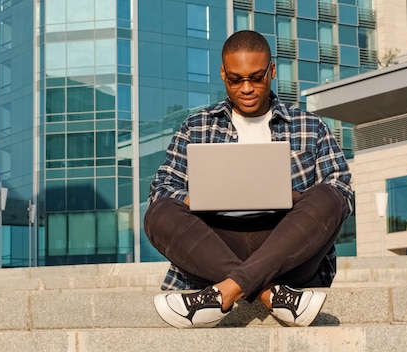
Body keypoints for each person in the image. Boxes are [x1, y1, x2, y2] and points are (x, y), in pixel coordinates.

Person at [144, 30, 352, 329]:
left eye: (256, 78)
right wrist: (196, 199)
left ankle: (224, 292)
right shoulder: (196, 127)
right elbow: (161, 190)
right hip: (215, 244)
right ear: (222, 73)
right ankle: (270, 295)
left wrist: (293, 197)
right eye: (235, 79)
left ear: (272, 70)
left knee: (328, 197)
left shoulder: (311, 126)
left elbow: (342, 193)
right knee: (159, 212)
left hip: (285, 245)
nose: (246, 88)